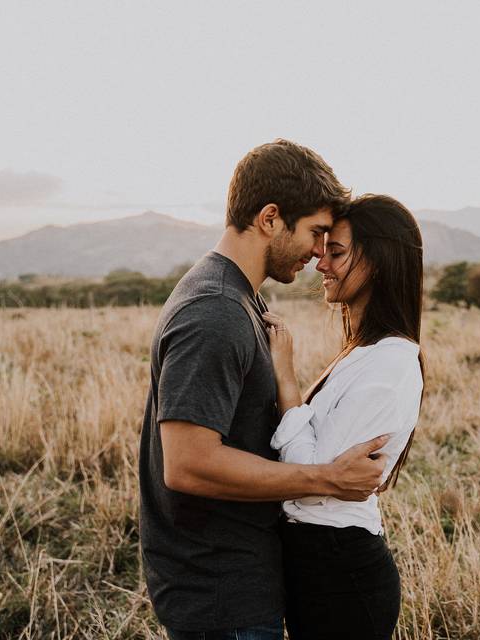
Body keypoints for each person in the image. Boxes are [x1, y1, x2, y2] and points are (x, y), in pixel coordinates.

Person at [139, 140, 393, 640]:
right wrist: (325, 479)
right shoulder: (212, 312)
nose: (321, 251)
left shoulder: (238, 298)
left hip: (237, 579)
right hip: (222, 595)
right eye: (316, 232)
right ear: (271, 218)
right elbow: (188, 463)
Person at [261, 194, 425, 640]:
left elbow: (315, 484)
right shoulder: (363, 353)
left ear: (380, 261)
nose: (321, 264)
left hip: (341, 574)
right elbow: (320, 473)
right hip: (317, 565)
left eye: (336, 253)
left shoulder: (390, 364)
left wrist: (286, 378)